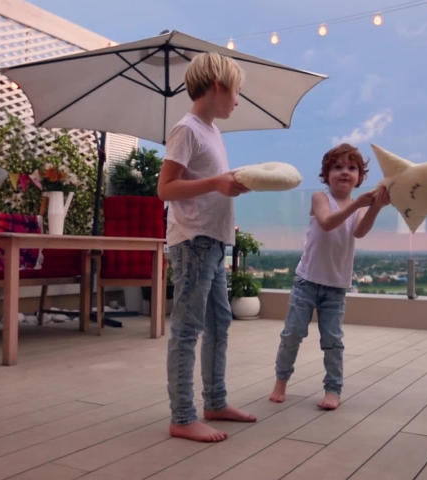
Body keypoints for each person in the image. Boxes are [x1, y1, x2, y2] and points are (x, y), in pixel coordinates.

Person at [157, 52, 257, 443]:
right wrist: (217, 184)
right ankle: (182, 416)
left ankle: (215, 401)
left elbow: (208, 181)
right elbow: (165, 188)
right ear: (218, 86)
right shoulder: (187, 130)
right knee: (187, 330)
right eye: (236, 92)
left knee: (219, 323)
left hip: (214, 242)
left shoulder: (212, 131)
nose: (237, 100)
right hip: (194, 242)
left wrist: (228, 184)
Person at [268, 143, 390, 410]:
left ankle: (333, 389)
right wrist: (358, 203)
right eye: (337, 167)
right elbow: (326, 223)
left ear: (360, 176)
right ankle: (281, 381)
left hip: (335, 286)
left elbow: (358, 232)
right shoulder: (320, 199)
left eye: (351, 167)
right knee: (292, 334)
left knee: (332, 340)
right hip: (307, 281)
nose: (344, 172)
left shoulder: (355, 207)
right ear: (326, 174)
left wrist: (375, 207)